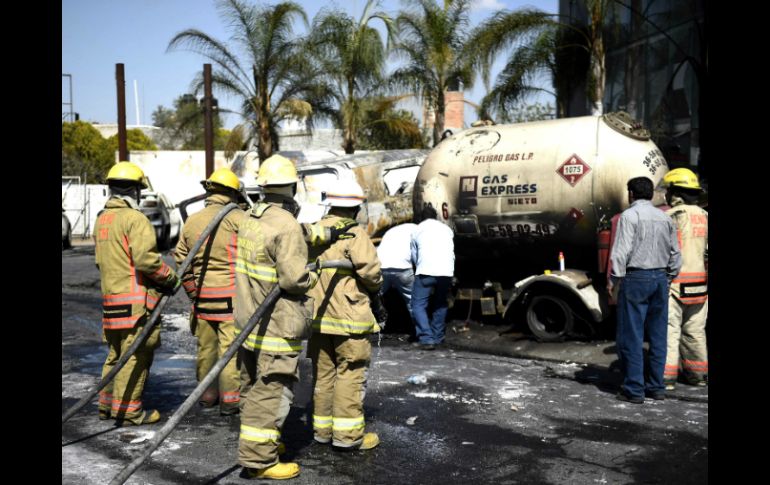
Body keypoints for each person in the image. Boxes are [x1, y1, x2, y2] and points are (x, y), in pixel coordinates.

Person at [234, 154, 319, 480]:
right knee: (272, 389)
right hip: (276, 323)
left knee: (253, 387)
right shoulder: (286, 224)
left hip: (248, 320)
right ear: (292, 187)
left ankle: (264, 443)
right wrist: (313, 276)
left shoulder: (250, 217)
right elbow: (293, 280)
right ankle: (260, 461)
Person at [94, 161, 179, 426]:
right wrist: (170, 278)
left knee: (115, 355)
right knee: (135, 355)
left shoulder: (102, 219)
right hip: (134, 305)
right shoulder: (135, 219)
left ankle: (107, 405)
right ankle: (129, 411)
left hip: (111, 301)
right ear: (135, 191)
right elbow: (146, 261)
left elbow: (100, 262)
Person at [306, 179, 385, 451]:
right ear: (354, 208)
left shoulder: (315, 232)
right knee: (349, 374)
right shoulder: (354, 233)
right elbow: (372, 273)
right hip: (349, 319)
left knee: (324, 376)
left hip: (318, 318)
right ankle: (348, 437)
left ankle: (322, 431)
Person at [175, 167, 246, 415]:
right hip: (231, 300)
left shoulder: (192, 221)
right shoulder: (239, 219)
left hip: (203, 299)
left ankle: (207, 396)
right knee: (230, 351)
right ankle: (230, 401)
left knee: (206, 349)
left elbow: (181, 260)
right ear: (233, 193)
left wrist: (193, 292)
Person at [609, 176, 681, 404]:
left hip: (636, 278)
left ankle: (634, 389)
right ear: (650, 194)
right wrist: (668, 276)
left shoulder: (629, 216)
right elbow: (676, 254)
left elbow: (620, 252)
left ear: (630, 193)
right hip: (660, 277)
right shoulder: (664, 217)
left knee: (632, 335)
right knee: (658, 336)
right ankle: (656, 387)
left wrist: (614, 279)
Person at [661, 168, 708, 390]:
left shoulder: (672, 216)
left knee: (670, 331)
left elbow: (666, 251)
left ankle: (667, 378)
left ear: (676, 192)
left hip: (676, 284)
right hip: (700, 285)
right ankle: (698, 375)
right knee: (695, 332)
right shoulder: (705, 216)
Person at [410, 204, 455, 350]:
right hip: (446, 271)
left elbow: (414, 254)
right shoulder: (447, 229)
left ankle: (427, 338)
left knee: (417, 305)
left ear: (421, 217)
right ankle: (438, 337)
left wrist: (418, 267)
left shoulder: (417, 229)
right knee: (440, 303)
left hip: (426, 270)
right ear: (436, 216)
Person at [376, 222, 418, 328]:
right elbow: (417, 254)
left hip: (382, 266)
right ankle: (419, 330)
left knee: (375, 296)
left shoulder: (391, 231)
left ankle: (377, 325)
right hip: (403, 268)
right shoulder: (418, 231)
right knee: (412, 301)